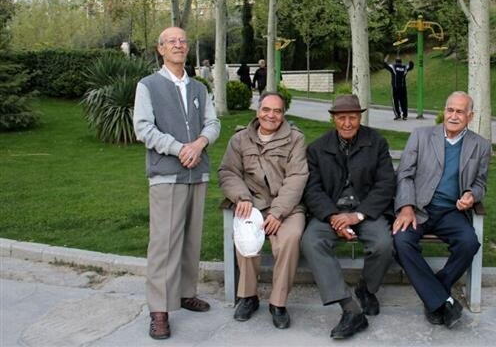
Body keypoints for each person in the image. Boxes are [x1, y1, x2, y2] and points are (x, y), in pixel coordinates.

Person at [133, 26, 221, 340]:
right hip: (166, 175)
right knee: (164, 243)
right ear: (161, 49)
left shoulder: (199, 87)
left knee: (191, 239)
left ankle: (185, 293)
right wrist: (179, 148)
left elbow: (213, 123)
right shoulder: (148, 86)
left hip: (197, 173)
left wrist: (199, 144)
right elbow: (143, 128)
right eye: (172, 41)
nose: (179, 45)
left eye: (183, 41)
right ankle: (159, 309)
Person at [301, 94, 396, 340]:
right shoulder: (317, 148)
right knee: (311, 241)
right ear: (333, 119)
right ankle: (349, 307)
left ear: (359, 118)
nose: (347, 123)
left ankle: (366, 289)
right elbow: (312, 190)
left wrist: (358, 215)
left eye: (352, 117)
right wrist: (333, 216)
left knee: (383, 244)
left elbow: (386, 184)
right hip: (331, 212)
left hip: (366, 211)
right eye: (341, 118)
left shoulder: (376, 143)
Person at [393, 91, 491, 329]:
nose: (453, 116)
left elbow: (480, 183)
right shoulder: (421, 136)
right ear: (444, 112)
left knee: (469, 243)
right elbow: (404, 175)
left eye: (460, 112)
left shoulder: (480, 145)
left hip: (451, 212)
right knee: (401, 241)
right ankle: (442, 300)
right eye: (450, 110)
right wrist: (406, 207)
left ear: (470, 116)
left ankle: (435, 294)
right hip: (419, 208)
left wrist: (471, 196)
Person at [218, 92, 309, 329]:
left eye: (277, 111)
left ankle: (278, 303)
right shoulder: (240, 139)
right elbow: (228, 172)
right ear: (258, 111)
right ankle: (248, 297)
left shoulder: (295, 139)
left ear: (283, 115)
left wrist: (278, 212)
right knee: (246, 235)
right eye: (266, 109)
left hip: (287, 206)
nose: (271, 115)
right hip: (252, 203)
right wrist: (242, 197)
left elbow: (297, 177)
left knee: (290, 238)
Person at [383, 55, 414, 120]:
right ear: (401, 62)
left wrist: (386, 59)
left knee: (395, 102)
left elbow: (385, 65)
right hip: (403, 87)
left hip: (395, 87)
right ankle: (405, 115)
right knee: (404, 101)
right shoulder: (404, 67)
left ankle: (398, 115)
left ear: (395, 61)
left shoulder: (393, 67)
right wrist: (410, 59)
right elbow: (411, 66)